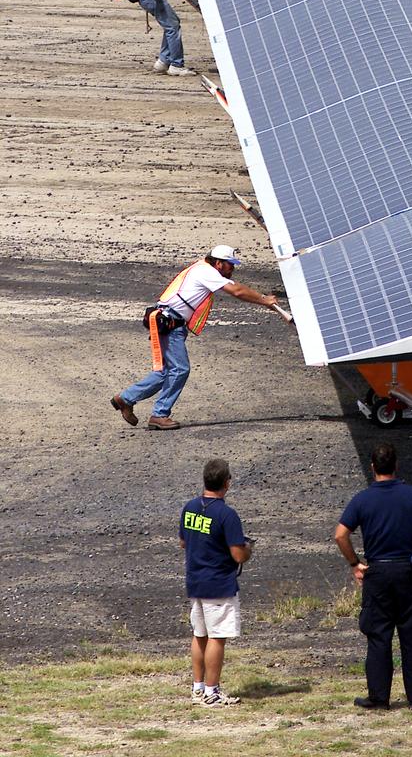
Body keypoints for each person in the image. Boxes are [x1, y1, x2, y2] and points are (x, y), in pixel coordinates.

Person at [111, 245, 280, 430]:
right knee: (179, 370)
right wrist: (264, 300)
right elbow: (236, 291)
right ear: (219, 263)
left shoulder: (202, 268)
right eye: (230, 265)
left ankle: (125, 399)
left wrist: (263, 300)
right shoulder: (206, 271)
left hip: (168, 320)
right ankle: (159, 415)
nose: (232, 269)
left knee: (165, 372)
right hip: (169, 321)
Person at [335, 442, 412, 711]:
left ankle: (379, 697)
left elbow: (340, 534)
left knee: (378, 634)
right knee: (411, 634)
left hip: (378, 572)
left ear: (372, 467)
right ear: (396, 466)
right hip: (408, 570)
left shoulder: (362, 499)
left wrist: (354, 563)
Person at [180, 457, 252, 707]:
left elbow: (183, 541)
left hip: (195, 580)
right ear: (227, 483)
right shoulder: (226, 514)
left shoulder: (189, 507)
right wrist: (248, 550)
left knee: (199, 633)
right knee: (217, 636)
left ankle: (198, 687)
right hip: (219, 583)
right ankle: (212, 691)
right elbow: (237, 554)